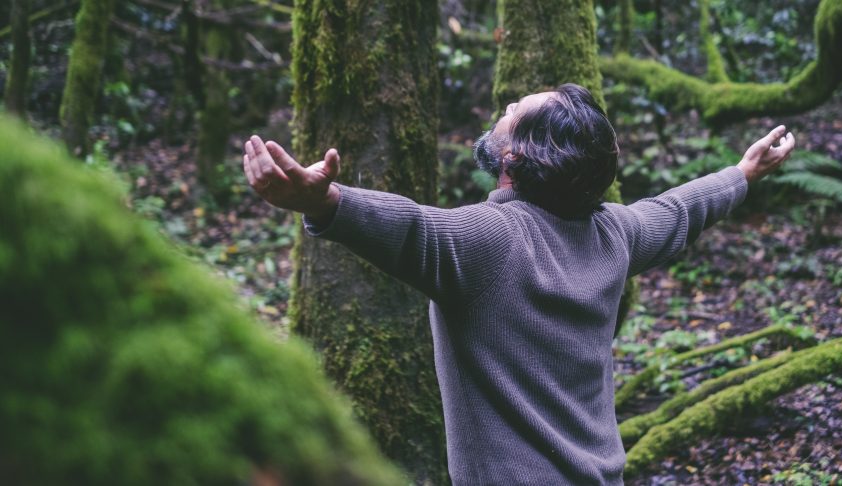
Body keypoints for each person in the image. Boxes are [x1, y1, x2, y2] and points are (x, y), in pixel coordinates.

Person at [242, 83, 795, 485]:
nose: (505, 107)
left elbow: (411, 228)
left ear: (516, 156)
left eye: (515, 111)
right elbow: (679, 211)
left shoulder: (490, 239)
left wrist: (325, 201)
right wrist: (741, 174)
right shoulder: (616, 232)